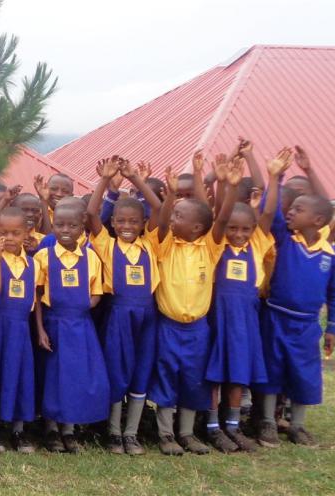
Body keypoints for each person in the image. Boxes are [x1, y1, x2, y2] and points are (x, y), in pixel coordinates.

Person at [255, 148, 335, 447]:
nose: (290, 211)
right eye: (291, 208)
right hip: (276, 317)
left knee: (304, 373)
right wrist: (275, 176)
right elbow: (270, 212)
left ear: (317, 220)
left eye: (298, 209)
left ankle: (298, 425)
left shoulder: (333, 255)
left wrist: (332, 327)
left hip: (306, 325)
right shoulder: (284, 239)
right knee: (272, 370)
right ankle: (267, 422)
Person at [146, 152, 231, 456]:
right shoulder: (166, 246)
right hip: (168, 325)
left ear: (197, 228)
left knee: (194, 380)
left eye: (181, 216)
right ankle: (166, 434)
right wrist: (170, 195)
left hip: (197, 328)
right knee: (167, 375)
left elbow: (219, 218)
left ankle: (187, 433)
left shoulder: (209, 248)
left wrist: (227, 185)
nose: (173, 218)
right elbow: (164, 222)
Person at [85, 157, 162, 456]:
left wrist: (136, 179)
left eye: (133, 221)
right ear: (113, 223)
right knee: (117, 370)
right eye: (121, 221)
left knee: (141, 371)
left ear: (143, 224)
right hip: (118, 315)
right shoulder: (107, 244)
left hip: (147, 315)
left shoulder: (150, 244)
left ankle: (132, 433)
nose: (127, 226)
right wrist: (105, 181)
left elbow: (158, 209)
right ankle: (114, 432)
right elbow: (92, 212)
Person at [203, 152, 276, 454]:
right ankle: (211, 428)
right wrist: (227, 185)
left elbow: (269, 214)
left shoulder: (258, 243)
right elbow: (221, 215)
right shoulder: (217, 243)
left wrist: (275, 177)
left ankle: (233, 428)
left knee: (238, 375)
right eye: (234, 228)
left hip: (245, 322)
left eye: (245, 229)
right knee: (215, 376)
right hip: (218, 318)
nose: (238, 234)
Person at [34, 201, 109, 453]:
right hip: (53, 324)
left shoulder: (90, 257)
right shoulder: (44, 256)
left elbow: (97, 292)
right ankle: (52, 428)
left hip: (79, 326)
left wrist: (81, 305)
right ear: (52, 226)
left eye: (72, 225)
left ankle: (70, 428)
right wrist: (41, 330)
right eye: (59, 225)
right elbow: (37, 294)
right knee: (53, 376)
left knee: (76, 375)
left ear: (82, 228)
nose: (66, 230)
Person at [0, 206, 39, 454]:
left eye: (16, 233)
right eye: (4, 233)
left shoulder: (33, 264)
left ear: (27, 233)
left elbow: (34, 300)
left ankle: (17, 429)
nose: (10, 238)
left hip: (21, 328)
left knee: (20, 375)